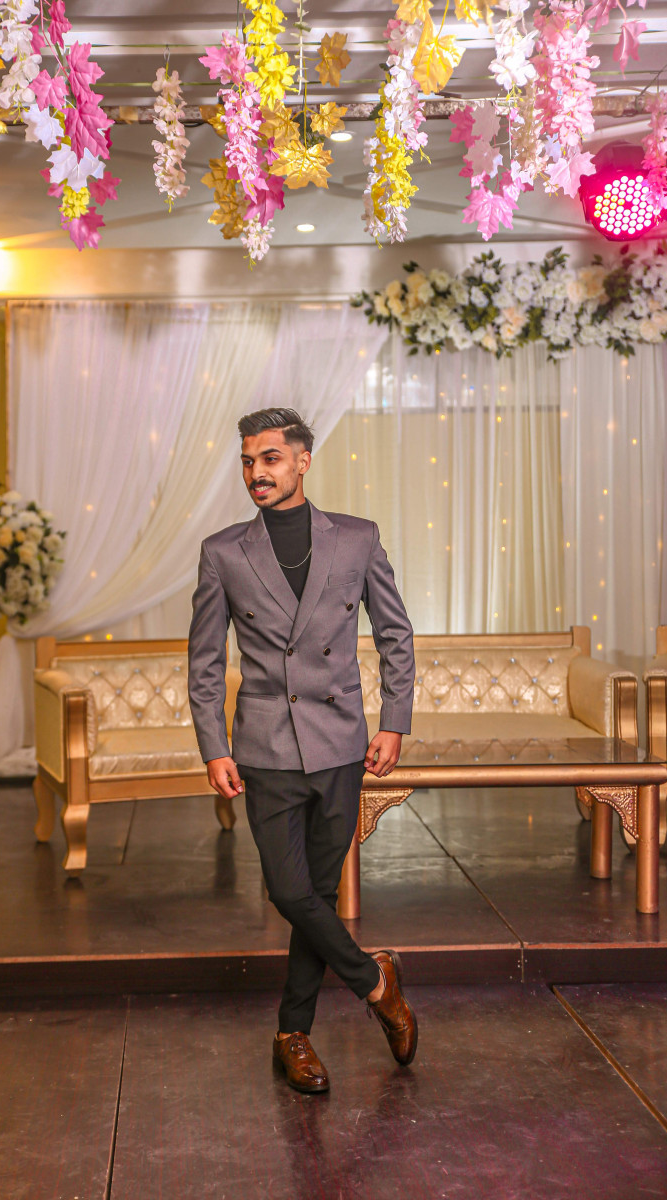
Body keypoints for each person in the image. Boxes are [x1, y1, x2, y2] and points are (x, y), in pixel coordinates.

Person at [188, 407, 417, 1094]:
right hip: (263, 747)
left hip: (341, 742)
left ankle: (293, 1034)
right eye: (247, 461)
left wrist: (394, 721)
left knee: (314, 894)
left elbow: (395, 635)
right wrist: (213, 745)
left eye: (269, 459)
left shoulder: (357, 538)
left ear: (302, 461)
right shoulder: (223, 552)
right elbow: (204, 662)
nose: (256, 473)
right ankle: (376, 983)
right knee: (289, 892)